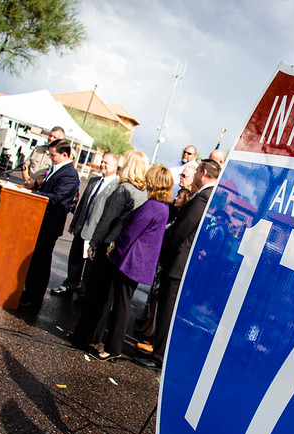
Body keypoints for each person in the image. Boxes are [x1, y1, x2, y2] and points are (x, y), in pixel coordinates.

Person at [135, 159, 221, 369]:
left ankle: (159, 357)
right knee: (166, 310)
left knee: (166, 311)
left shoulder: (202, 198)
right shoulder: (211, 196)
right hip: (183, 264)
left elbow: (181, 231)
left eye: (198, 170)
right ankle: (159, 353)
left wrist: (163, 252)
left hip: (178, 264)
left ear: (203, 173)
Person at [69, 150, 149, 345]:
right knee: (107, 297)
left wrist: (94, 243)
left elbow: (107, 220)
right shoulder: (143, 192)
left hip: (107, 245)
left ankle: (83, 336)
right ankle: (95, 336)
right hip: (121, 248)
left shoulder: (123, 189)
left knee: (95, 293)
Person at [94, 165, 174, 360]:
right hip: (139, 262)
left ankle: (113, 348)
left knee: (121, 305)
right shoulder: (162, 207)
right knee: (122, 303)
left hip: (131, 261)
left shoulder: (152, 206)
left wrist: (113, 246)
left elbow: (130, 233)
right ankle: (113, 346)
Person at [19, 138, 80, 309]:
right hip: (41, 221)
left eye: (53, 155)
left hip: (49, 225)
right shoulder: (56, 169)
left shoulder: (69, 174)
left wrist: (33, 195)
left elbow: (57, 197)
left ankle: (34, 298)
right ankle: (29, 291)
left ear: (64, 154)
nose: (50, 158)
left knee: (41, 262)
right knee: (35, 260)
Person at [51, 152, 120, 297]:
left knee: (90, 265)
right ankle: (69, 284)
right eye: (102, 161)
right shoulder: (94, 181)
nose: (103, 164)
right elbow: (83, 204)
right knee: (75, 259)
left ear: (115, 166)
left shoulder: (116, 187)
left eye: (106, 163)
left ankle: (84, 293)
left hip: (96, 233)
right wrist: (75, 222)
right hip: (81, 227)